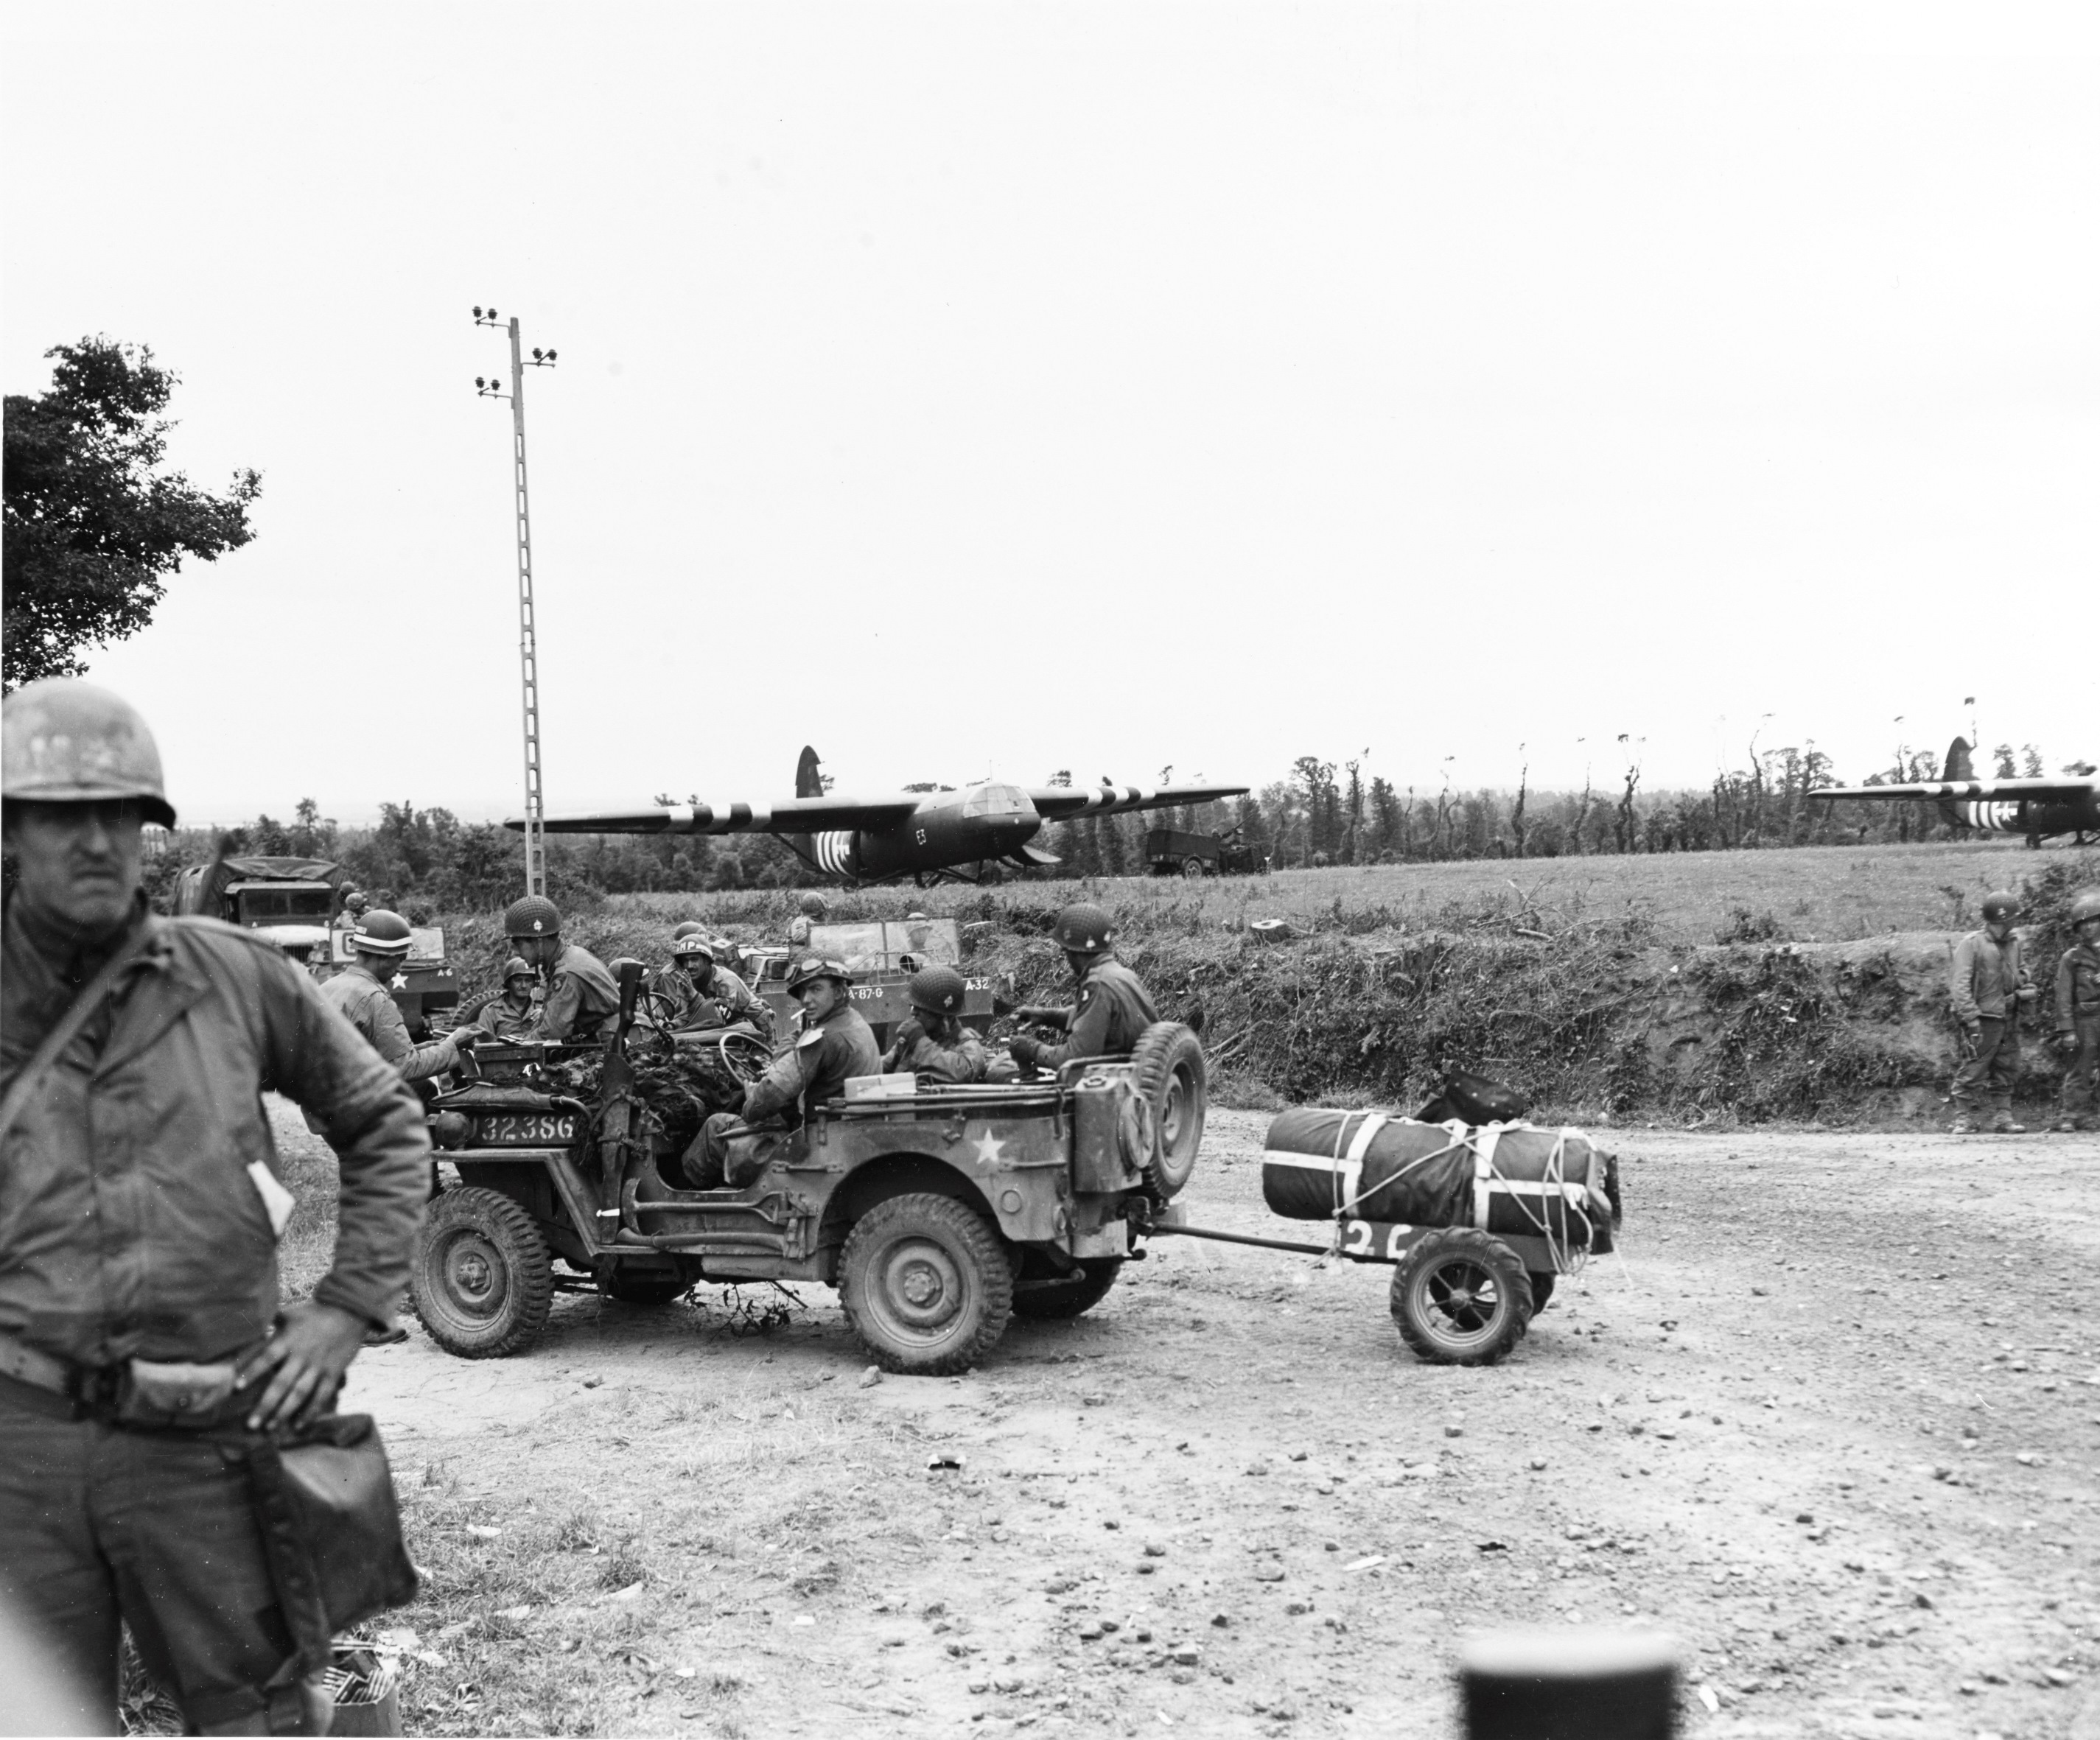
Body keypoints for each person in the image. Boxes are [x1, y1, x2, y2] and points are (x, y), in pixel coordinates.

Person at [0, 678, 430, 1736]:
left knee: (257, 1718)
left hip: (207, 1435)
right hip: (22, 1441)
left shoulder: (236, 977)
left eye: (122, 816)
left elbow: (384, 1121)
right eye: (65, 815)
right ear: (14, 829)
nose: (98, 842)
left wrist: (343, 1309)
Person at [688, 956, 880, 1188]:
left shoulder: (822, 1040)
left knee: (715, 1125)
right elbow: (792, 1060)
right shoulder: (853, 1022)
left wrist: (751, 1098)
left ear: (839, 992)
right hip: (840, 1135)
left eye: (816, 990)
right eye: (803, 992)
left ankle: (690, 1195)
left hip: (812, 1147)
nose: (806, 1000)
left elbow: (768, 1097)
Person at [320, 908, 475, 1085]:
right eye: (401, 959)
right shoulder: (375, 998)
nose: (400, 968)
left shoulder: (327, 987)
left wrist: (431, 1047)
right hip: (352, 1103)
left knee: (422, 1088)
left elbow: (384, 1054)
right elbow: (406, 1067)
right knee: (423, 1090)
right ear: (385, 956)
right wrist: (452, 1045)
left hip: (322, 1099)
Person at [1007, 902, 1159, 1073]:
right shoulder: (1124, 975)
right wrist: (1046, 1016)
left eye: (1065, 952)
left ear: (1072, 952)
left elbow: (1073, 1059)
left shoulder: (1097, 985)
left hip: (1115, 1083)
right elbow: (1094, 1020)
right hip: (1140, 1073)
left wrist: (1032, 1049)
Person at [1949, 889, 2040, 1134]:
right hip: (1983, 1018)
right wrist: (1971, 1018)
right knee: (1974, 1068)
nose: (2016, 921)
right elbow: (1960, 986)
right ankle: (1963, 1118)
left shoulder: (2014, 943)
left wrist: (2023, 986)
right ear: (2001, 918)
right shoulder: (1972, 944)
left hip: (2009, 1015)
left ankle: (2003, 1116)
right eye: (2012, 917)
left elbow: (2022, 970)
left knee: (2007, 1067)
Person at [505, 894, 620, 1042]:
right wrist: (523, 1040)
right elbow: (547, 1023)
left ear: (539, 942)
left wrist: (518, 1049)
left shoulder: (566, 972)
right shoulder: (571, 956)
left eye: (518, 944)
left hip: (611, 1043)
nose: (515, 952)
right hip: (608, 1038)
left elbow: (552, 1032)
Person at [883, 965, 988, 1083]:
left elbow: (963, 1072)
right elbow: (882, 1069)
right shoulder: (910, 1041)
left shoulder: (968, 1045)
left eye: (920, 1009)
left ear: (941, 1016)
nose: (913, 1012)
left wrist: (920, 1042)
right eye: (913, 1007)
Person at [660, 932, 771, 1036]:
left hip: (758, 1031)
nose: (689, 966)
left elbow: (717, 1020)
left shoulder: (726, 982)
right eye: (686, 961)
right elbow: (685, 1016)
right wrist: (672, 1026)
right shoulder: (689, 982)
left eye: (694, 960)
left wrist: (694, 995)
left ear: (707, 960)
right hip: (728, 1031)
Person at [2053, 890, 2100, 1133]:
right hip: (2086, 1020)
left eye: (2093, 921)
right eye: (2083, 924)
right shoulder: (2072, 959)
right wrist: (2067, 1029)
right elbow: (2063, 997)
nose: (2088, 928)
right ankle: (2071, 1115)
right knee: (2080, 1068)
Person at [475, 955, 543, 1040]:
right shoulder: (490, 1012)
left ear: (533, 984)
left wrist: (545, 1018)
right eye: (518, 980)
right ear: (509, 983)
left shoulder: (541, 1011)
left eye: (528, 980)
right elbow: (482, 1047)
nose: (523, 986)